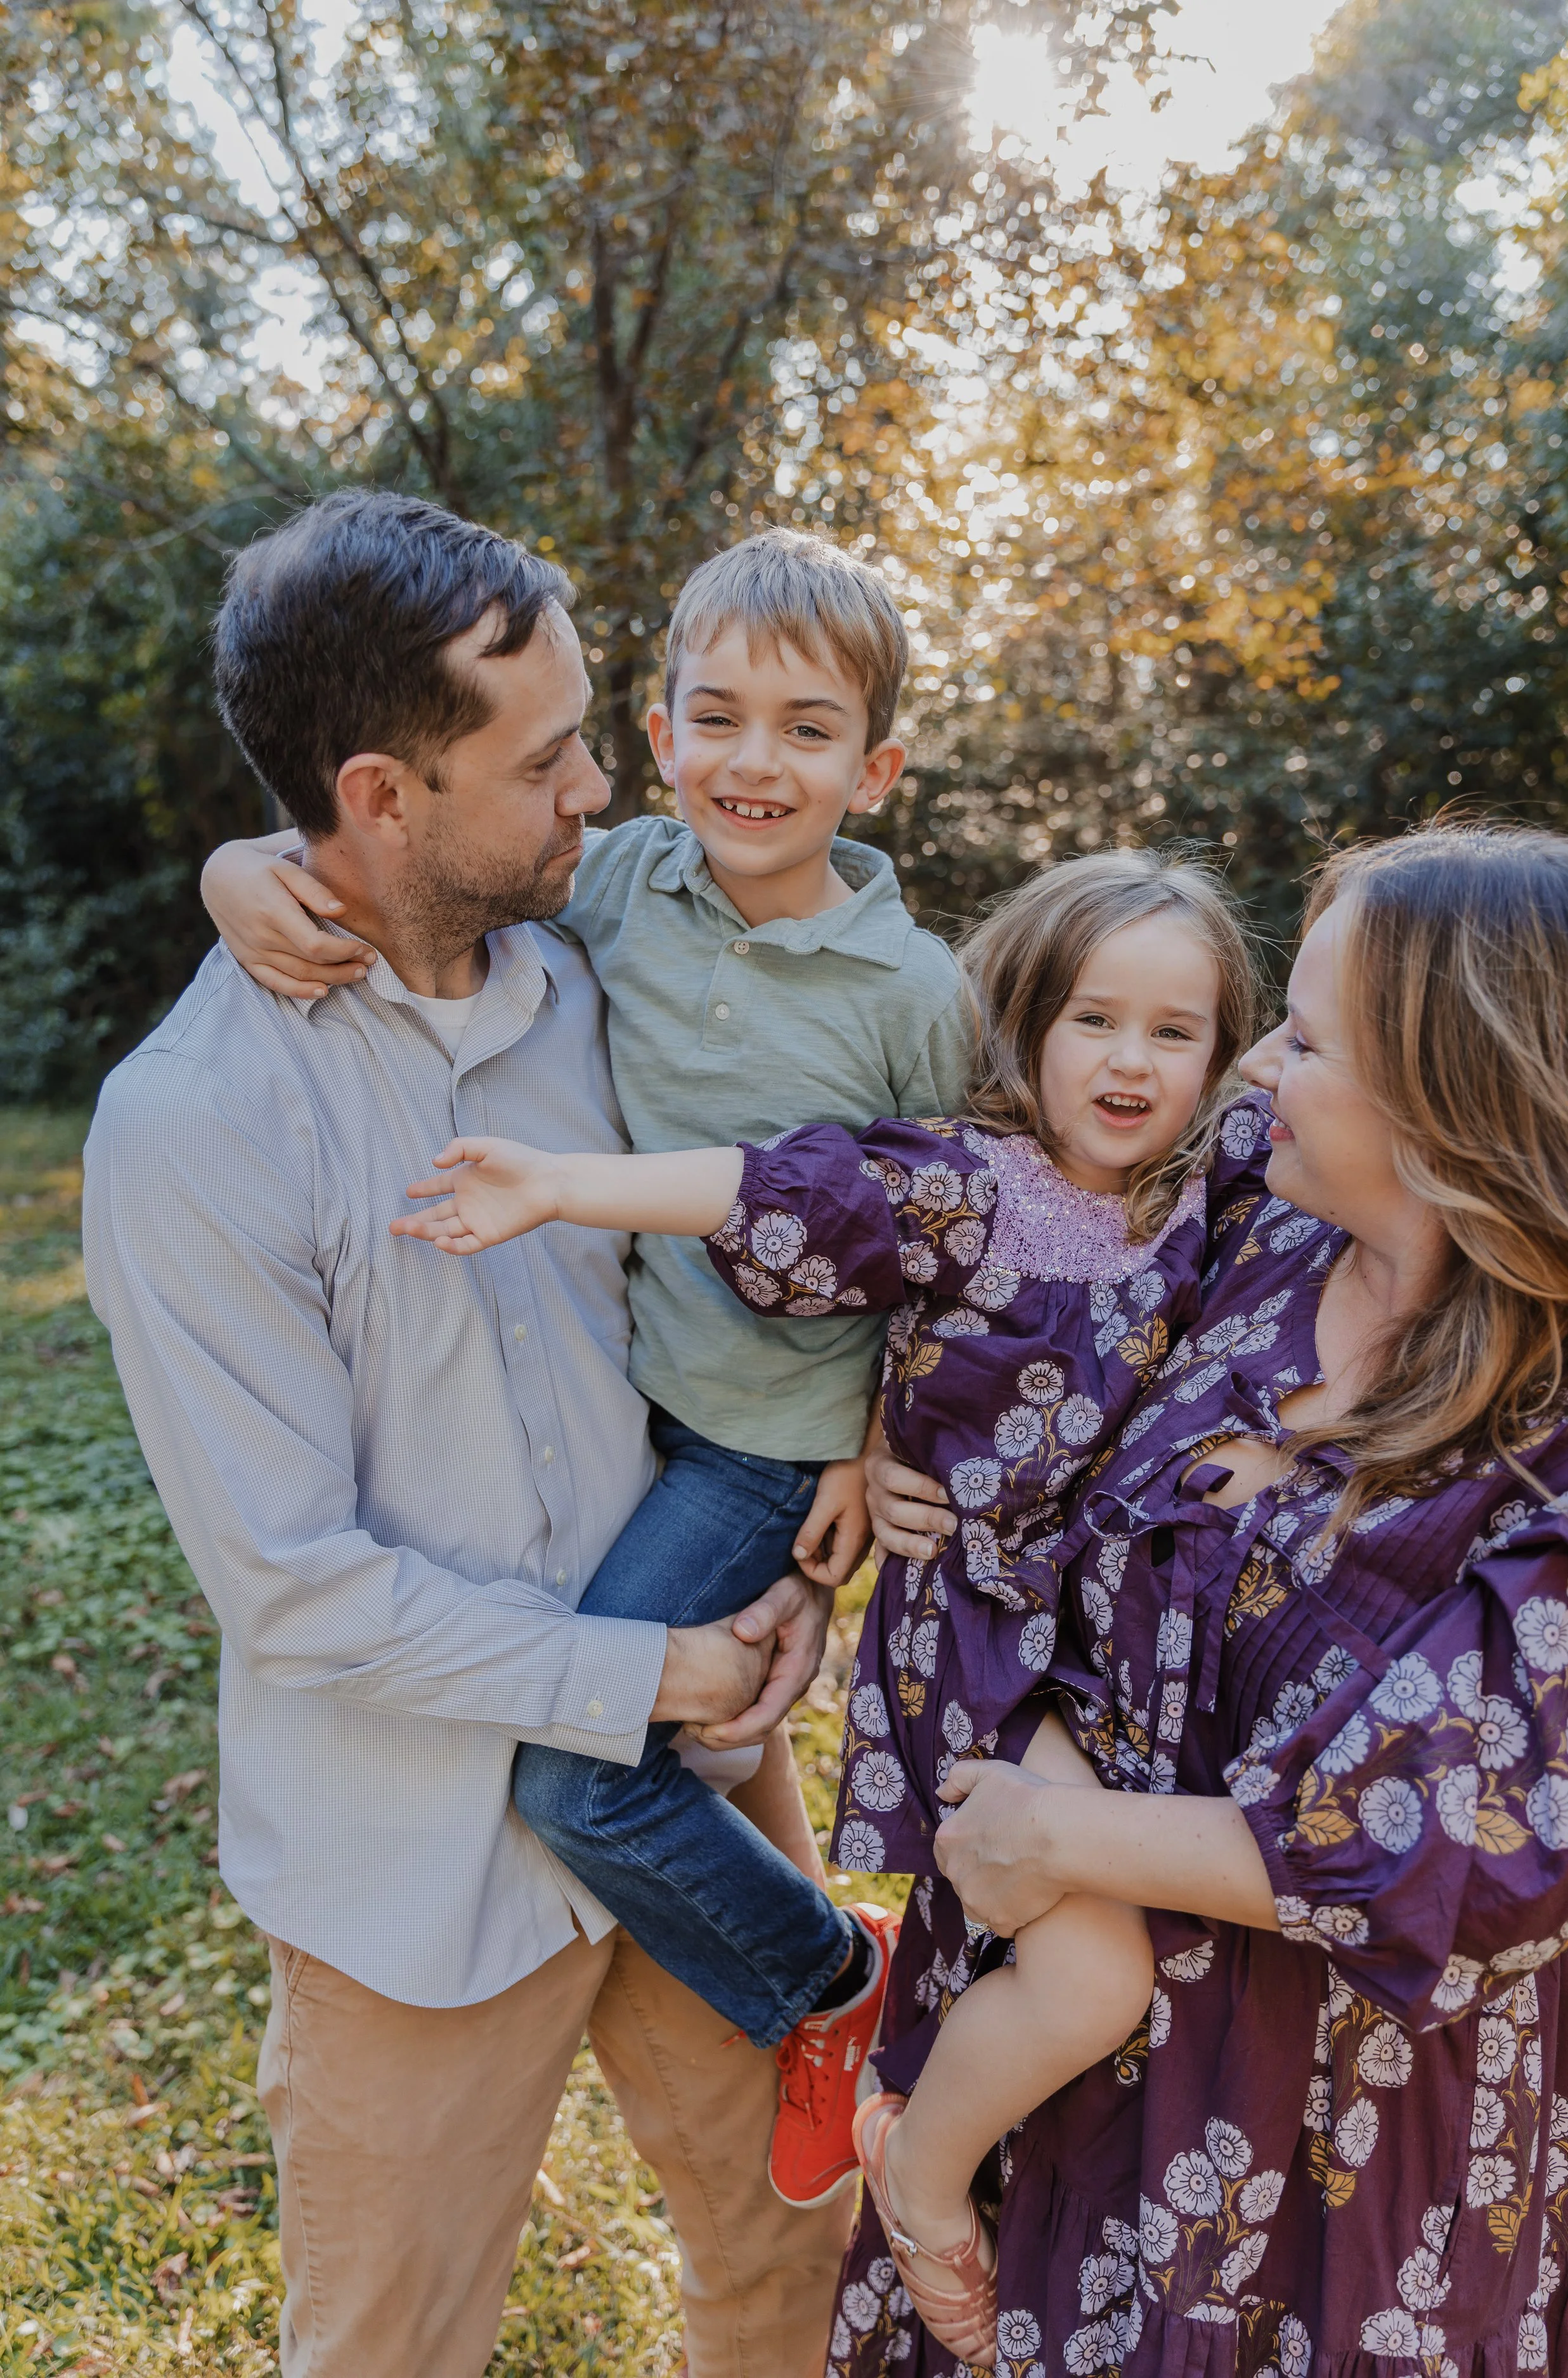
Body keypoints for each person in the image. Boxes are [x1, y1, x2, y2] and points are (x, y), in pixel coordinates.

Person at [81, 490, 853, 2378]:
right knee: (387, 2345)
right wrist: (644, 1667)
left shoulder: (609, 971)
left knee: (800, 2260)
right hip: (406, 1869)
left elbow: (801, 1211)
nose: (604, 784)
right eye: (549, 753)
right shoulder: (192, 1124)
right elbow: (295, 1590)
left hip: (694, 1788)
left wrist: (791, 1545)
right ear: (378, 792)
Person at [382, 847, 1264, 2367]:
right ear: (1027, 1026)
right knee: (1093, 1975)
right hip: (989, 1648)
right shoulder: (964, 1181)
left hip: (1127, 1663)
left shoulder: (1216, 1199)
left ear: (1219, 1052)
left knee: (1110, 1992)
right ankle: (913, 2171)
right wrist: (557, 1187)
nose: (1128, 1061)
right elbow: (773, 1188)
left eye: (1171, 1033)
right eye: (1093, 1021)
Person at [199, 526, 973, 2207]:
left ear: (875, 759)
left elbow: (964, 1229)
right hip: (596, 1550)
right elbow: (413, 824)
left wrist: (873, 1427)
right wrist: (241, 863)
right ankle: (842, 1971)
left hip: (748, 1484)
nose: (734, 764)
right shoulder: (615, 893)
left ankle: (843, 1986)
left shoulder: (837, 982)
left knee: (590, 1807)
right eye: (704, 716)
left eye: (805, 726)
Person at [856, 821, 1568, 2376]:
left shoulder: (1560, 1447)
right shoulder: (1259, 1216)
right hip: (1059, 2046)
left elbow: (1492, 1840)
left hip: (1314, 2144)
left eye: (1307, 1039)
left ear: (1452, 1097)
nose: (1250, 1064)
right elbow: (997, 1270)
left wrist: (1054, 1835)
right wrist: (870, 1431)